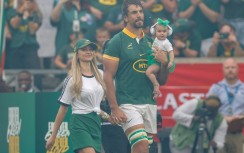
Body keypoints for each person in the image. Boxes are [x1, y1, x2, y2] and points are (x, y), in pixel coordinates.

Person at [103, 0, 170, 152]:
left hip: (149, 103)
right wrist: (114, 108)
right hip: (128, 103)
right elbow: (107, 77)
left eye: (140, 11)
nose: (139, 15)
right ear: (125, 18)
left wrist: (165, 64)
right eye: (134, 12)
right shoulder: (116, 41)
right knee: (141, 143)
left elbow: (162, 81)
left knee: (145, 148)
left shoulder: (152, 43)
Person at [45, 38, 110, 153]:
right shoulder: (72, 79)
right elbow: (63, 109)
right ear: (77, 54)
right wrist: (53, 135)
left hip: (95, 122)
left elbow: (95, 105)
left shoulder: (101, 74)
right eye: (84, 49)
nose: (88, 52)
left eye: (91, 49)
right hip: (79, 123)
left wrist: (108, 116)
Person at [207, 58, 244, 153]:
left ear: (237, 69)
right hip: (219, 133)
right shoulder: (216, 88)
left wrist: (240, 117)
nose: (230, 70)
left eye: (233, 67)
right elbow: (208, 109)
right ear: (223, 70)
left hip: (236, 134)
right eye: (227, 67)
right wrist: (223, 118)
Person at [146, 18, 175, 99]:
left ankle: (156, 85)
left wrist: (170, 62)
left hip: (158, 62)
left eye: (164, 31)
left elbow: (171, 52)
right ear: (154, 32)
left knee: (148, 72)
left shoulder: (166, 42)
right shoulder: (154, 40)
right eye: (159, 31)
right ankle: (155, 92)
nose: (162, 33)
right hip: (153, 59)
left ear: (168, 32)